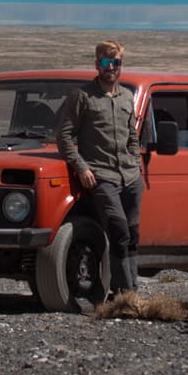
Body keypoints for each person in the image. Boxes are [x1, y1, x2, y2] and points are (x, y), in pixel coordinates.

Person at [56, 40, 144, 299]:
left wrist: (136, 162)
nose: (111, 68)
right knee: (118, 230)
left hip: (130, 175)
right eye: (106, 62)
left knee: (133, 233)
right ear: (97, 65)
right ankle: (123, 293)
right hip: (101, 175)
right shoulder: (82, 96)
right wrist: (81, 167)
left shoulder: (127, 97)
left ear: (121, 65)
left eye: (116, 62)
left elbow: (132, 135)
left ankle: (132, 289)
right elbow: (63, 136)